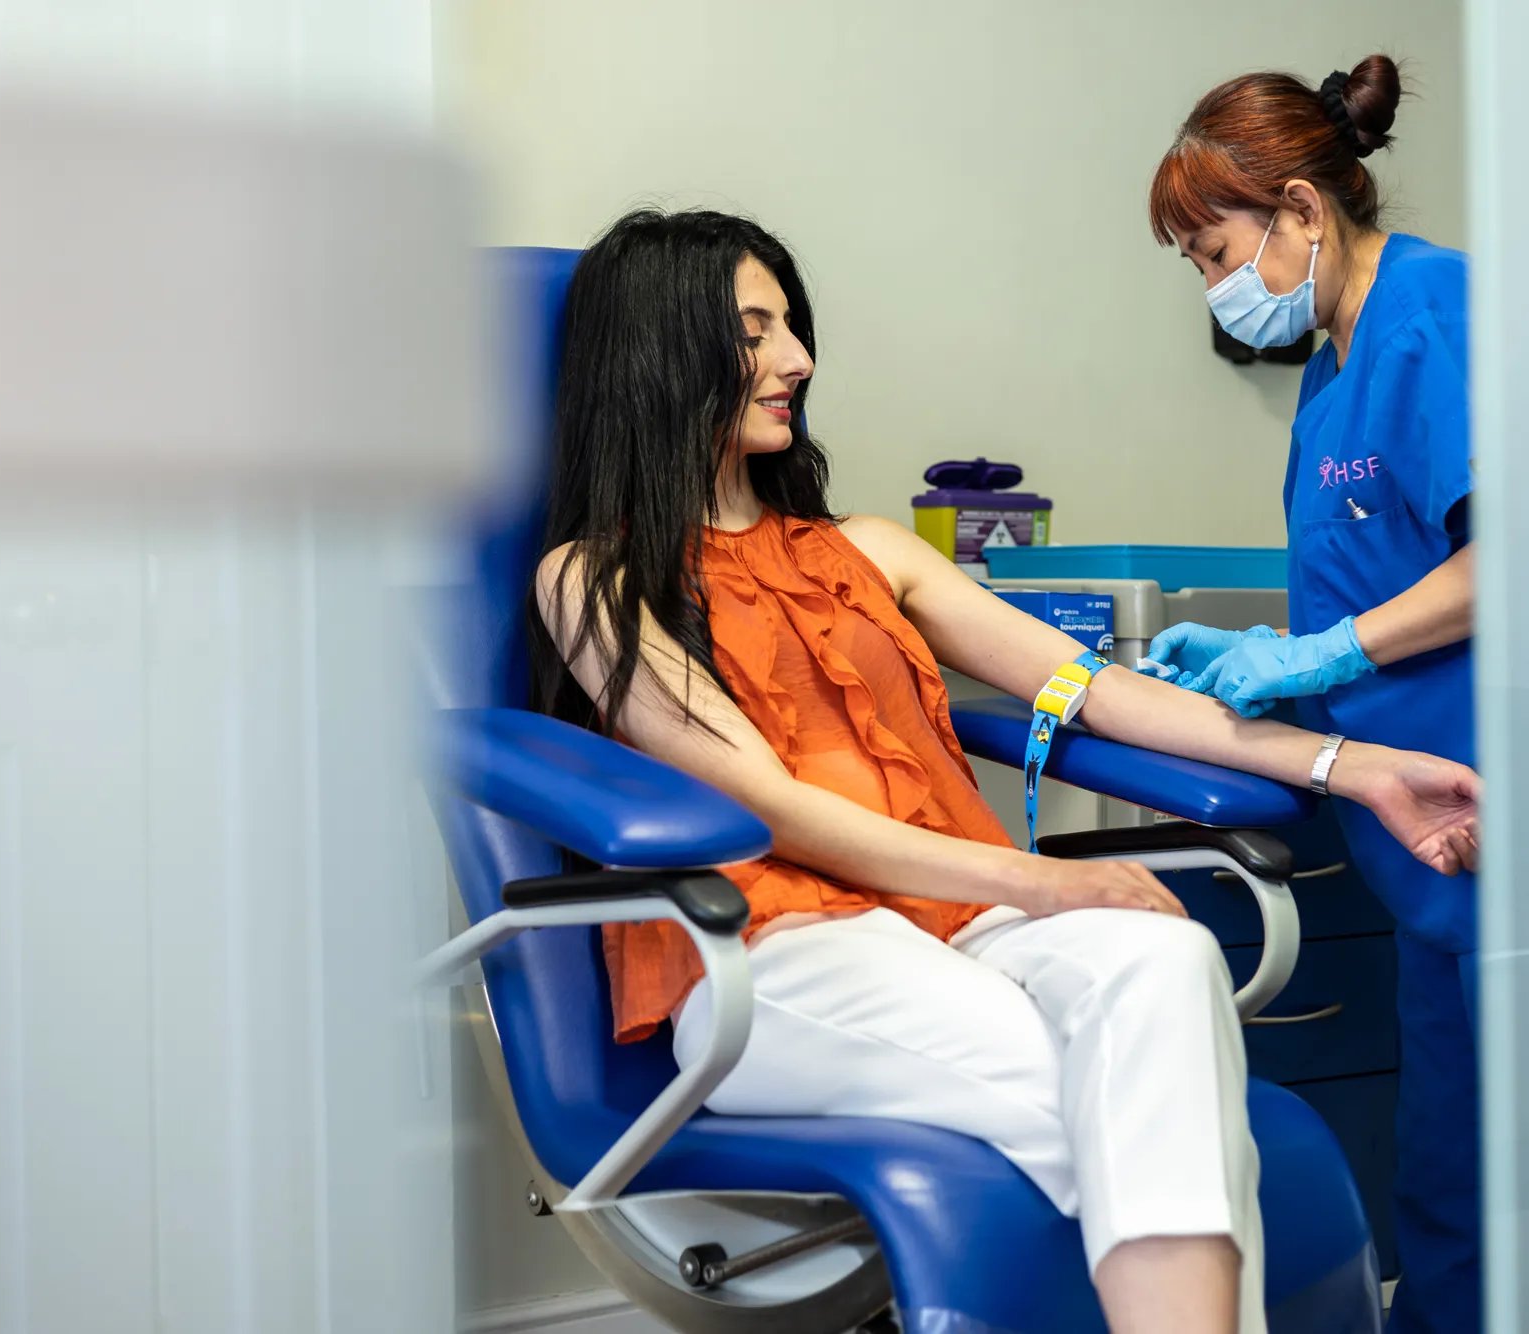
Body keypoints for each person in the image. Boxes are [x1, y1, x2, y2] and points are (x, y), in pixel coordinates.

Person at [529, 207, 1480, 1334]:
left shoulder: (869, 550)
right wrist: (1045, 879)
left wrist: (1351, 763)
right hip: (769, 953)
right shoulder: (591, 577)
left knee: (1162, 959)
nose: (798, 358)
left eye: (791, 324)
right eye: (754, 329)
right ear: (657, 352)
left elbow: (1106, 692)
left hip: (963, 925)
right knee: (1136, 1102)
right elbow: (771, 807)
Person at [1143, 55, 1481, 1334]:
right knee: (1444, 1159)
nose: (1217, 284)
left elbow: (1512, 556)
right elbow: (1364, 568)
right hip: (1418, 839)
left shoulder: (1429, 312)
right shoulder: (1332, 359)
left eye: (1212, 249)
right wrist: (1260, 648)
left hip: (1490, 796)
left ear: (1299, 210)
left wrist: (1318, 656)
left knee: (1520, 1155)